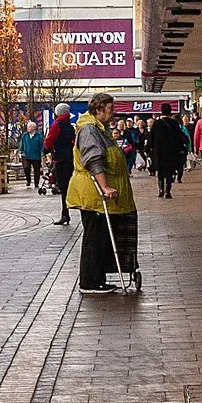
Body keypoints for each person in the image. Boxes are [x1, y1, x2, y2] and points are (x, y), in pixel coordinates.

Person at [69, 93, 139, 293]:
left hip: (101, 195)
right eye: (110, 110)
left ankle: (97, 278)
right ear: (98, 110)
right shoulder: (90, 130)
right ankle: (89, 282)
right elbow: (93, 160)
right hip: (94, 194)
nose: (113, 113)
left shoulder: (101, 129)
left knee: (101, 237)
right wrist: (105, 187)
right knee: (95, 237)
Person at [148, 108, 189, 199]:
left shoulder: (156, 123)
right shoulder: (174, 123)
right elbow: (179, 137)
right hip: (171, 151)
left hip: (159, 151)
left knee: (160, 171)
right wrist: (181, 149)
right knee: (169, 171)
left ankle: (161, 190)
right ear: (170, 112)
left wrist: (147, 149)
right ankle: (168, 191)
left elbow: (151, 137)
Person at [47, 108, 77, 225]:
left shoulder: (56, 125)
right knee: (68, 185)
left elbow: (49, 141)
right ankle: (66, 213)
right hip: (70, 158)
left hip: (60, 159)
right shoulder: (70, 126)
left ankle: (65, 214)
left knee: (63, 187)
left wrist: (46, 150)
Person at [19, 120, 46, 193]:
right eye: (27, 127)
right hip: (26, 155)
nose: (27, 128)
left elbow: (42, 145)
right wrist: (20, 151)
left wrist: (43, 153)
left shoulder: (39, 136)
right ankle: (28, 180)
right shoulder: (25, 135)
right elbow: (22, 144)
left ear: (33, 128)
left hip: (36, 155)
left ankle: (36, 183)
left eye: (29, 127)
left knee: (36, 170)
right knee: (26, 168)